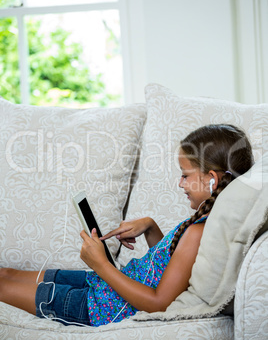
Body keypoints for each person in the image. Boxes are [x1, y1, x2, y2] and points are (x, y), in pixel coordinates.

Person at [0, 124, 254, 327]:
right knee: (6, 274)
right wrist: (151, 227)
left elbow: (159, 303)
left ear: (211, 179)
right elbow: (171, 268)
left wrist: (100, 264)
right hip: (102, 289)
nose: (180, 183)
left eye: (185, 175)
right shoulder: (204, 221)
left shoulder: (199, 231)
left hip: (95, 308)